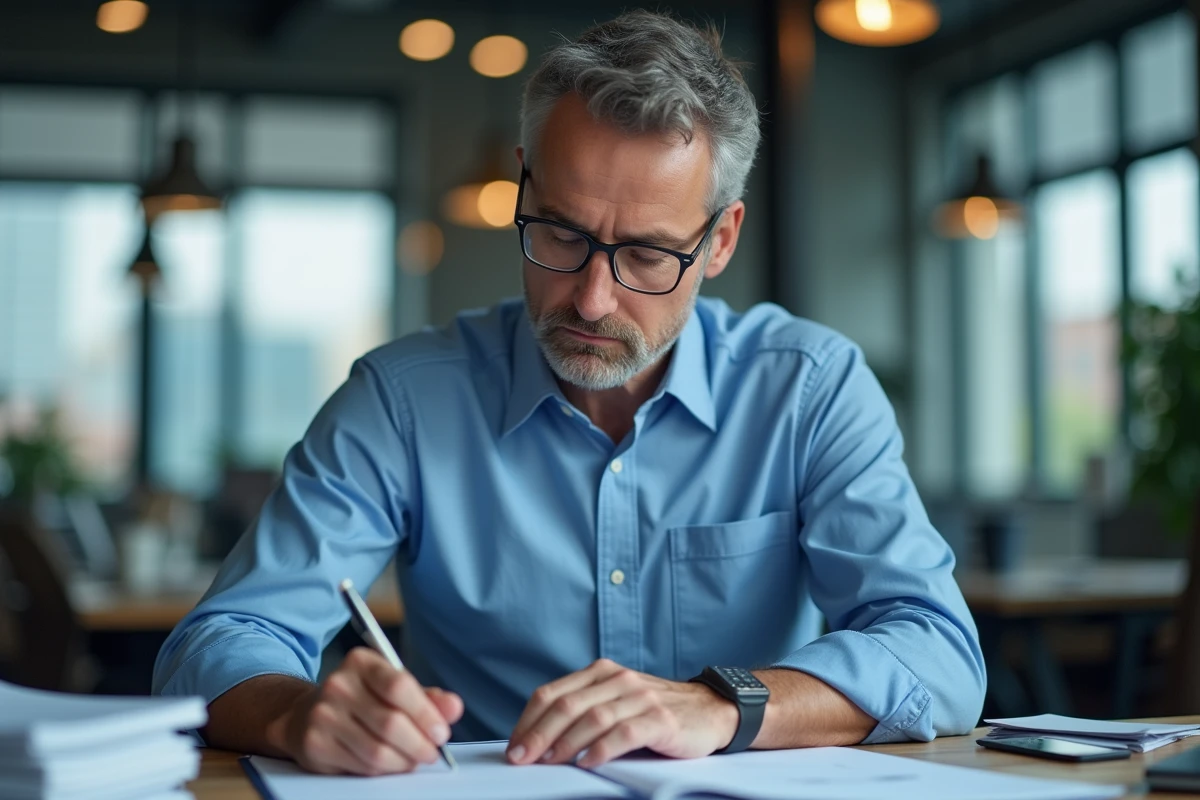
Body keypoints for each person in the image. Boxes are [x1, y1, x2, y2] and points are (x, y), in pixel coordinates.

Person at [153, 10, 985, 777]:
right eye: (561, 232)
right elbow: (219, 641)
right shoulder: (402, 401)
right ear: (523, 186)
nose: (591, 299)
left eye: (650, 255)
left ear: (720, 238)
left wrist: (720, 704)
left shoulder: (808, 389)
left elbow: (938, 654)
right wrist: (299, 713)